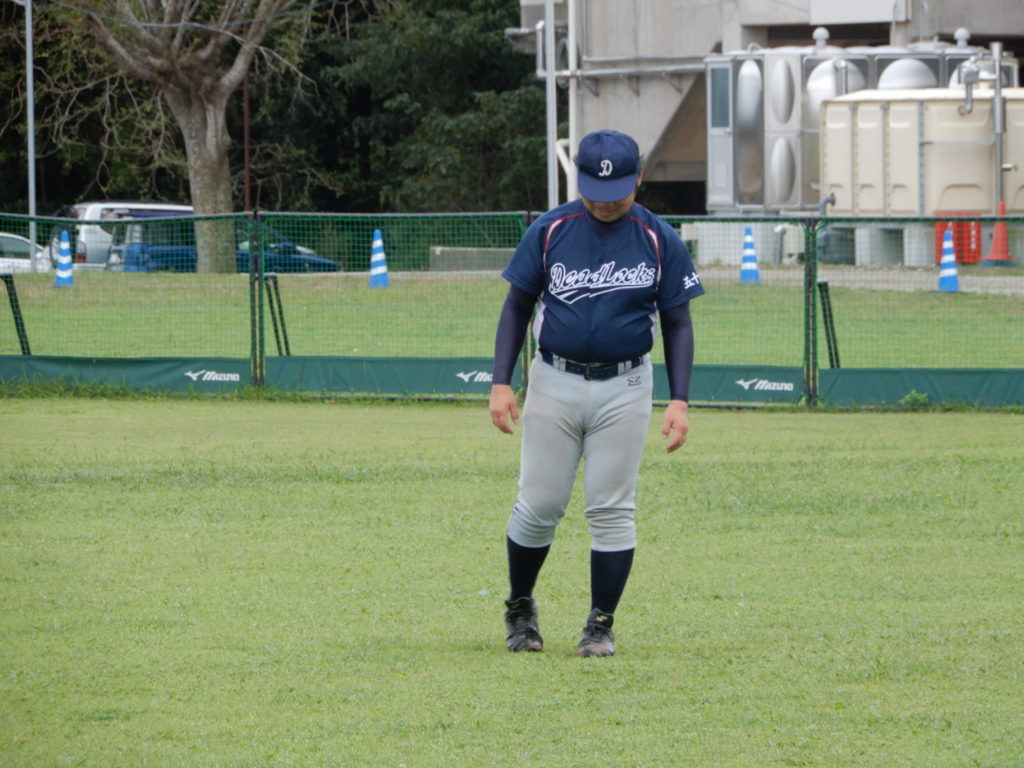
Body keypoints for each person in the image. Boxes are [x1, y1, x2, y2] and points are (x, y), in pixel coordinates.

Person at [488, 129, 705, 657]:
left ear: (639, 180)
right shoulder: (549, 230)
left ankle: (600, 625)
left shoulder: (660, 239)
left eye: (617, 193)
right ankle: (520, 607)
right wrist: (500, 381)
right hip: (553, 380)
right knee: (539, 503)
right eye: (594, 192)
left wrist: (679, 399)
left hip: (626, 386)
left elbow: (678, 322)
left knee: (611, 508)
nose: (605, 203)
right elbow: (517, 306)